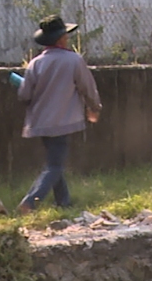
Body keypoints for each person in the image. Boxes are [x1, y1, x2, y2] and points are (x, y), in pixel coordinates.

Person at [15, 15, 101, 213]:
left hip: (40, 123)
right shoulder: (74, 61)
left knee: (55, 161)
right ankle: (31, 201)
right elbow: (88, 88)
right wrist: (94, 108)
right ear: (61, 38)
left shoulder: (35, 64)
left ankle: (63, 202)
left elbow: (24, 94)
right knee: (55, 166)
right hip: (63, 121)